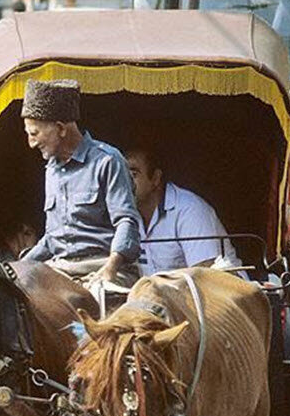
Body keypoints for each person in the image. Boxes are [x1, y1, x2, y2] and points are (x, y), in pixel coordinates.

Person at [21, 78, 142, 286]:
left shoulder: (108, 161)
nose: (31, 143)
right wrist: (18, 267)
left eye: (34, 133)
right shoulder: (51, 169)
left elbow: (126, 221)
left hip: (102, 268)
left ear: (60, 128)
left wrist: (111, 267)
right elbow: (52, 239)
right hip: (58, 270)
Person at [124, 147, 241, 275]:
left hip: (219, 292)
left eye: (133, 175)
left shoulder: (189, 209)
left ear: (156, 178)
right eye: (121, 175)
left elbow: (205, 275)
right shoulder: (125, 215)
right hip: (160, 293)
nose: (124, 182)